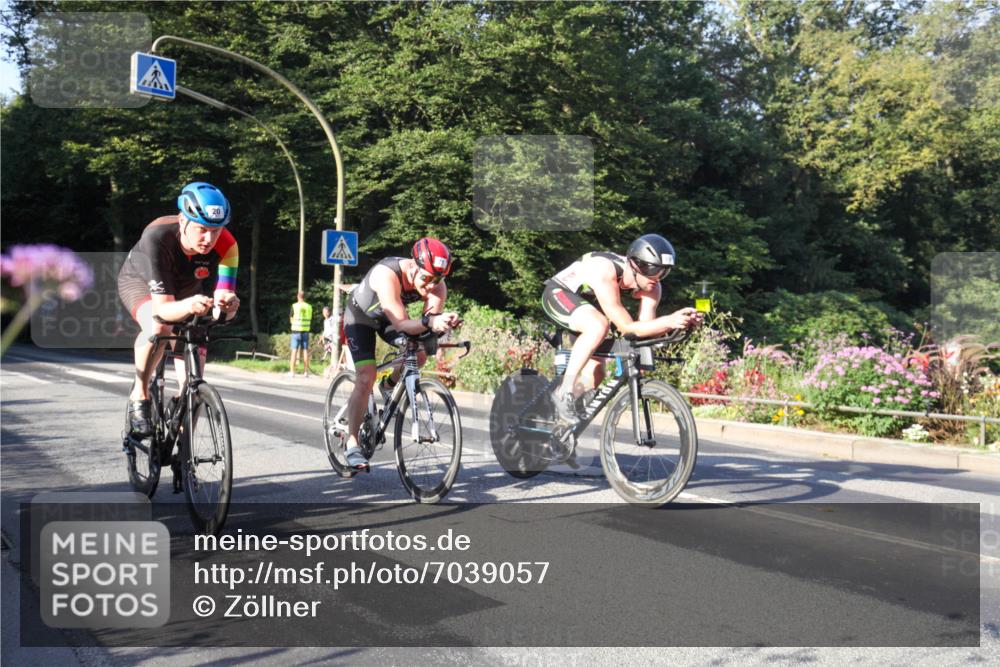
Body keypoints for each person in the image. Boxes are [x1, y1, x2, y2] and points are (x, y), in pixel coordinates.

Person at [117, 182, 240, 436]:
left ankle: (183, 445)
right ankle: (140, 393)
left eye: (216, 231)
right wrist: (188, 305)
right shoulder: (157, 237)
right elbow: (162, 310)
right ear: (183, 221)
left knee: (194, 382)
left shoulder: (228, 246)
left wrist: (228, 306)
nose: (209, 239)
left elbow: (223, 309)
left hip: (185, 290)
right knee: (159, 327)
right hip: (140, 282)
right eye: (202, 230)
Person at [541, 233, 702, 425]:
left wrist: (680, 324)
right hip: (560, 293)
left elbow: (642, 332)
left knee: (596, 375)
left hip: (590, 307)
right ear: (635, 265)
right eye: (653, 269)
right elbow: (626, 328)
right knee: (598, 325)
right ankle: (563, 392)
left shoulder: (653, 287)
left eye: (663, 272)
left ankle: (556, 422)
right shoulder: (604, 269)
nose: (657, 278)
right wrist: (669, 320)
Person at [340, 237, 461, 471]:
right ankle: (352, 442)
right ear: (413, 267)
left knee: (420, 355)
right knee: (366, 377)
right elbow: (402, 323)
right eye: (426, 278)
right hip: (361, 318)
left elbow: (427, 326)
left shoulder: (437, 285)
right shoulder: (386, 274)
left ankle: (389, 386)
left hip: (389, 319)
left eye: (437, 279)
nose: (431, 285)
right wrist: (430, 321)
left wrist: (443, 324)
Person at [288, 291, 313, 377]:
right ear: (304, 297)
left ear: (298, 296)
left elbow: (291, 319)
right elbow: (310, 318)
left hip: (296, 331)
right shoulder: (309, 307)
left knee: (294, 351)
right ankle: (305, 372)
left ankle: (292, 372)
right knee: (305, 351)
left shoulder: (294, 306)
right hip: (305, 331)